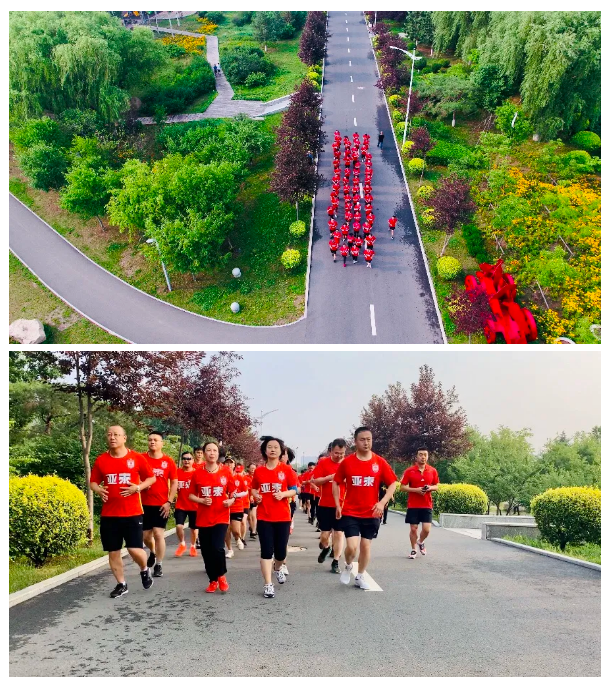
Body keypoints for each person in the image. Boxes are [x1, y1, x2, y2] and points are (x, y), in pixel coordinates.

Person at [90, 425, 157, 598]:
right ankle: (121, 584)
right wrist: (98, 490)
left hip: (132, 513)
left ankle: (144, 569)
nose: (112, 437)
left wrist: (138, 487)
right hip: (109, 515)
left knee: (134, 549)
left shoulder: (136, 458)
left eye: (116, 435)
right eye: (109, 434)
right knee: (113, 551)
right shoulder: (101, 460)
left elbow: (151, 478)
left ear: (124, 438)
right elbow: (93, 482)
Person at [333, 427, 397, 590]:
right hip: (350, 512)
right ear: (355, 441)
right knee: (352, 547)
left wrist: (382, 502)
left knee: (366, 546)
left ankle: (360, 576)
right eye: (362, 439)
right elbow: (336, 482)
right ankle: (348, 565)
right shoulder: (347, 462)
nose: (366, 442)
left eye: (369, 439)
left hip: (372, 512)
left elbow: (392, 483)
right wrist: (338, 504)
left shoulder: (379, 462)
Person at [251, 437, 298, 598]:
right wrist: (256, 495)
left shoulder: (286, 470)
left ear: (281, 451)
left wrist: (283, 494)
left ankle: (278, 568)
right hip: (264, 516)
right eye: (269, 447)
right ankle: (268, 584)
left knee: (280, 552)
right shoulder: (259, 471)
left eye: (276, 447)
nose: (272, 449)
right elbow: (253, 488)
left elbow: (294, 489)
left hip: (283, 517)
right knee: (266, 551)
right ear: (264, 451)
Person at [189, 441, 235, 593]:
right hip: (203, 518)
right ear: (204, 453)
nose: (212, 453)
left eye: (215, 450)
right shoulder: (197, 473)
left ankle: (221, 575)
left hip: (221, 516)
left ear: (218, 453)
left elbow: (234, 493)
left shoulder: (226, 472)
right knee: (206, 551)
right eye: (208, 450)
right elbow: (191, 495)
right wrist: (201, 500)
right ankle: (212, 580)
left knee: (217, 547)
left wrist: (231, 500)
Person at [141, 432, 178, 578]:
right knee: (146, 536)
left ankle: (159, 564)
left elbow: (174, 482)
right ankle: (153, 552)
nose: (152, 442)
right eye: (150, 440)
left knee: (158, 534)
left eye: (156, 440)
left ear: (162, 443)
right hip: (143, 504)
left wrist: (169, 501)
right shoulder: (141, 459)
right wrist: (141, 484)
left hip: (161, 504)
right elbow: (133, 475)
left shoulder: (168, 461)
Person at [310, 439, 347, 573]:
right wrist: (330, 477)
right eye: (336, 453)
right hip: (325, 504)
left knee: (339, 533)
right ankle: (326, 548)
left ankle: (335, 562)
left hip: (342, 506)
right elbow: (315, 481)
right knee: (324, 536)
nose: (339, 456)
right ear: (330, 451)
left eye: (342, 453)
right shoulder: (323, 463)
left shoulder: (348, 464)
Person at [400, 448, 439, 559]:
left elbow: (436, 486)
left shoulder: (432, 471)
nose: (423, 457)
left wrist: (429, 488)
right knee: (414, 528)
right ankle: (413, 549)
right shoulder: (409, 471)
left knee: (426, 529)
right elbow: (402, 487)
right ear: (416, 457)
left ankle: (420, 541)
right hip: (413, 505)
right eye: (420, 455)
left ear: (428, 456)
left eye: (425, 455)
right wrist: (416, 490)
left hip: (427, 504)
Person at [174, 452, 199, 557]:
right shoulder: (177, 472)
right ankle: (182, 544)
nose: (186, 461)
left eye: (189, 459)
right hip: (181, 505)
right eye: (184, 458)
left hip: (194, 506)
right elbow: (172, 484)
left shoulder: (197, 473)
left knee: (193, 529)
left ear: (193, 460)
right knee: (179, 526)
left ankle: (193, 546)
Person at [223, 457, 247, 557]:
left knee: (236, 530)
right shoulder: (221, 476)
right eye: (227, 462)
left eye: (231, 463)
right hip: (224, 506)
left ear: (234, 465)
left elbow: (245, 492)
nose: (229, 464)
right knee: (226, 529)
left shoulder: (239, 477)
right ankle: (230, 550)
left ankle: (238, 538)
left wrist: (236, 495)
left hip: (236, 506)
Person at [235, 463, 251, 545]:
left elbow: (251, 490)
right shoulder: (233, 479)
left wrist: (252, 497)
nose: (238, 474)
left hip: (245, 504)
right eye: (237, 472)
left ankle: (242, 538)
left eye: (240, 472)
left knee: (243, 521)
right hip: (236, 505)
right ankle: (239, 537)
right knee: (238, 523)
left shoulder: (247, 480)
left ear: (243, 471)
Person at [247, 463, 258, 539]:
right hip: (246, 499)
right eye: (251, 468)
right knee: (249, 517)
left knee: (253, 515)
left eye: (254, 468)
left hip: (254, 499)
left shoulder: (257, 477)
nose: (253, 470)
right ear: (249, 469)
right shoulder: (245, 477)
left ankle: (253, 531)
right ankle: (251, 527)